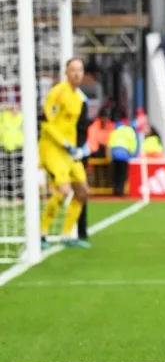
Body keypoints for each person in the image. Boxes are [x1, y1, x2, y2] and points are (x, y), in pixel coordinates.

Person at [39, 58, 90, 249]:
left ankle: (67, 234)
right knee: (63, 191)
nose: (77, 73)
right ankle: (41, 233)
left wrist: (76, 148)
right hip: (52, 148)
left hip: (70, 151)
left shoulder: (78, 98)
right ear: (66, 72)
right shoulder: (57, 92)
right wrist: (65, 144)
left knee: (83, 191)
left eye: (80, 70)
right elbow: (47, 123)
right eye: (73, 70)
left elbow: (72, 128)